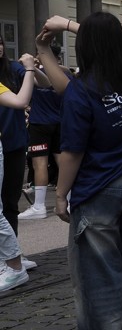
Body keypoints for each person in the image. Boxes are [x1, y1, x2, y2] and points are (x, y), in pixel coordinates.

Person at [38, 14, 122, 330]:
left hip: (101, 187)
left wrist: (60, 196)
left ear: (85, 48)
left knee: (100, 277)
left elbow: (72, 153)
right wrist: (59, 35)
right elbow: (73, 81)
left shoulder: (83, 90)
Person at [0, 48, 38, 291]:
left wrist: (31, 68)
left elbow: (22, 100)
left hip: (12, 143)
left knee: (7, 205)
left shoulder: (12, 70)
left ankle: (13, 263)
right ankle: (11, 260)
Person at [19, 41, 62, 223]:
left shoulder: (34, 72)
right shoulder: (63, 72)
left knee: (40, 165)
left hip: (40, 123)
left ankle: (39, 206)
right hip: (60, 122)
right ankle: (70, 200)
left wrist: (32, 68)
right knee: (63, 162)